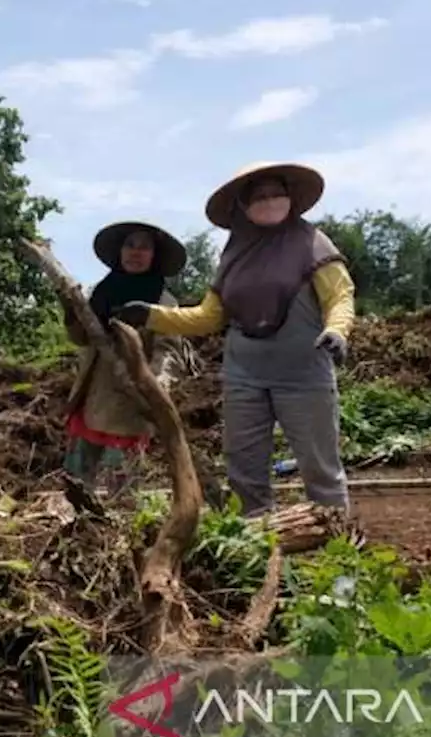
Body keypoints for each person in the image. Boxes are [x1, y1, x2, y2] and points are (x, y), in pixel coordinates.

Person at [118, 162, 355, 517]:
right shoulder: (234, 254)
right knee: (244, 469)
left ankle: (338, 547)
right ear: (244, 206)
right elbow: (209, 316)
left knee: (319, 465)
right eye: (259, 196)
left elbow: (340, 295)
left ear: (290, 198)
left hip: (303, 373)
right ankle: (257, 542)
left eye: (276, 193)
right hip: (245, 374)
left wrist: (337, 330)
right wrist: (152, 315)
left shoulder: (312, 243)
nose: (269, 201)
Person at [62, 222, 185, 494]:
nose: (135, 253)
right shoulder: (100, 293)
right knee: (78, 483)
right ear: (120, 251)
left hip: (131, 402)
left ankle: (116, 533)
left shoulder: (164, 302)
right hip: (92, 395)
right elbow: (82, 338)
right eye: (130, 245)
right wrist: (71, 315)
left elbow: (170, 352)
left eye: (144, 247)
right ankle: (79, 529)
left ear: (155, 256)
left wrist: (156, 384)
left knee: (122, 490)